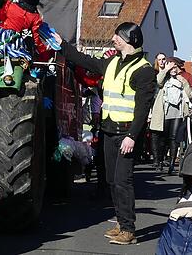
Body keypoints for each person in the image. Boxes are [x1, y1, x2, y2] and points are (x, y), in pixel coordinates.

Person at [52, 22, 156, 245]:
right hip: (109, 130)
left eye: (118, 35)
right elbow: (87, 61)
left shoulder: (145, 70)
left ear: (129, 39)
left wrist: (133, 136)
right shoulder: (113, 62)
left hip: (127, 133)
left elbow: (142, 108)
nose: (113, 38)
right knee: (110, 179)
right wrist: (63, 47)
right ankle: (121, 222)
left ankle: (129, 230)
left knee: (123, 181)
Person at [149, 57, 192, 175]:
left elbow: (189, 94)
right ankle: (160, 160)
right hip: (164, 112)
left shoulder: (181, 80)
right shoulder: (164, 78)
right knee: (163, 138)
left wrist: (184, 82)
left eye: (175, 67)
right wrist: (165, 70)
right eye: (171, 67)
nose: (174, 69)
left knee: (174, 139)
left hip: (177, 112)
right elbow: (158, 81)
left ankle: (172, 164)